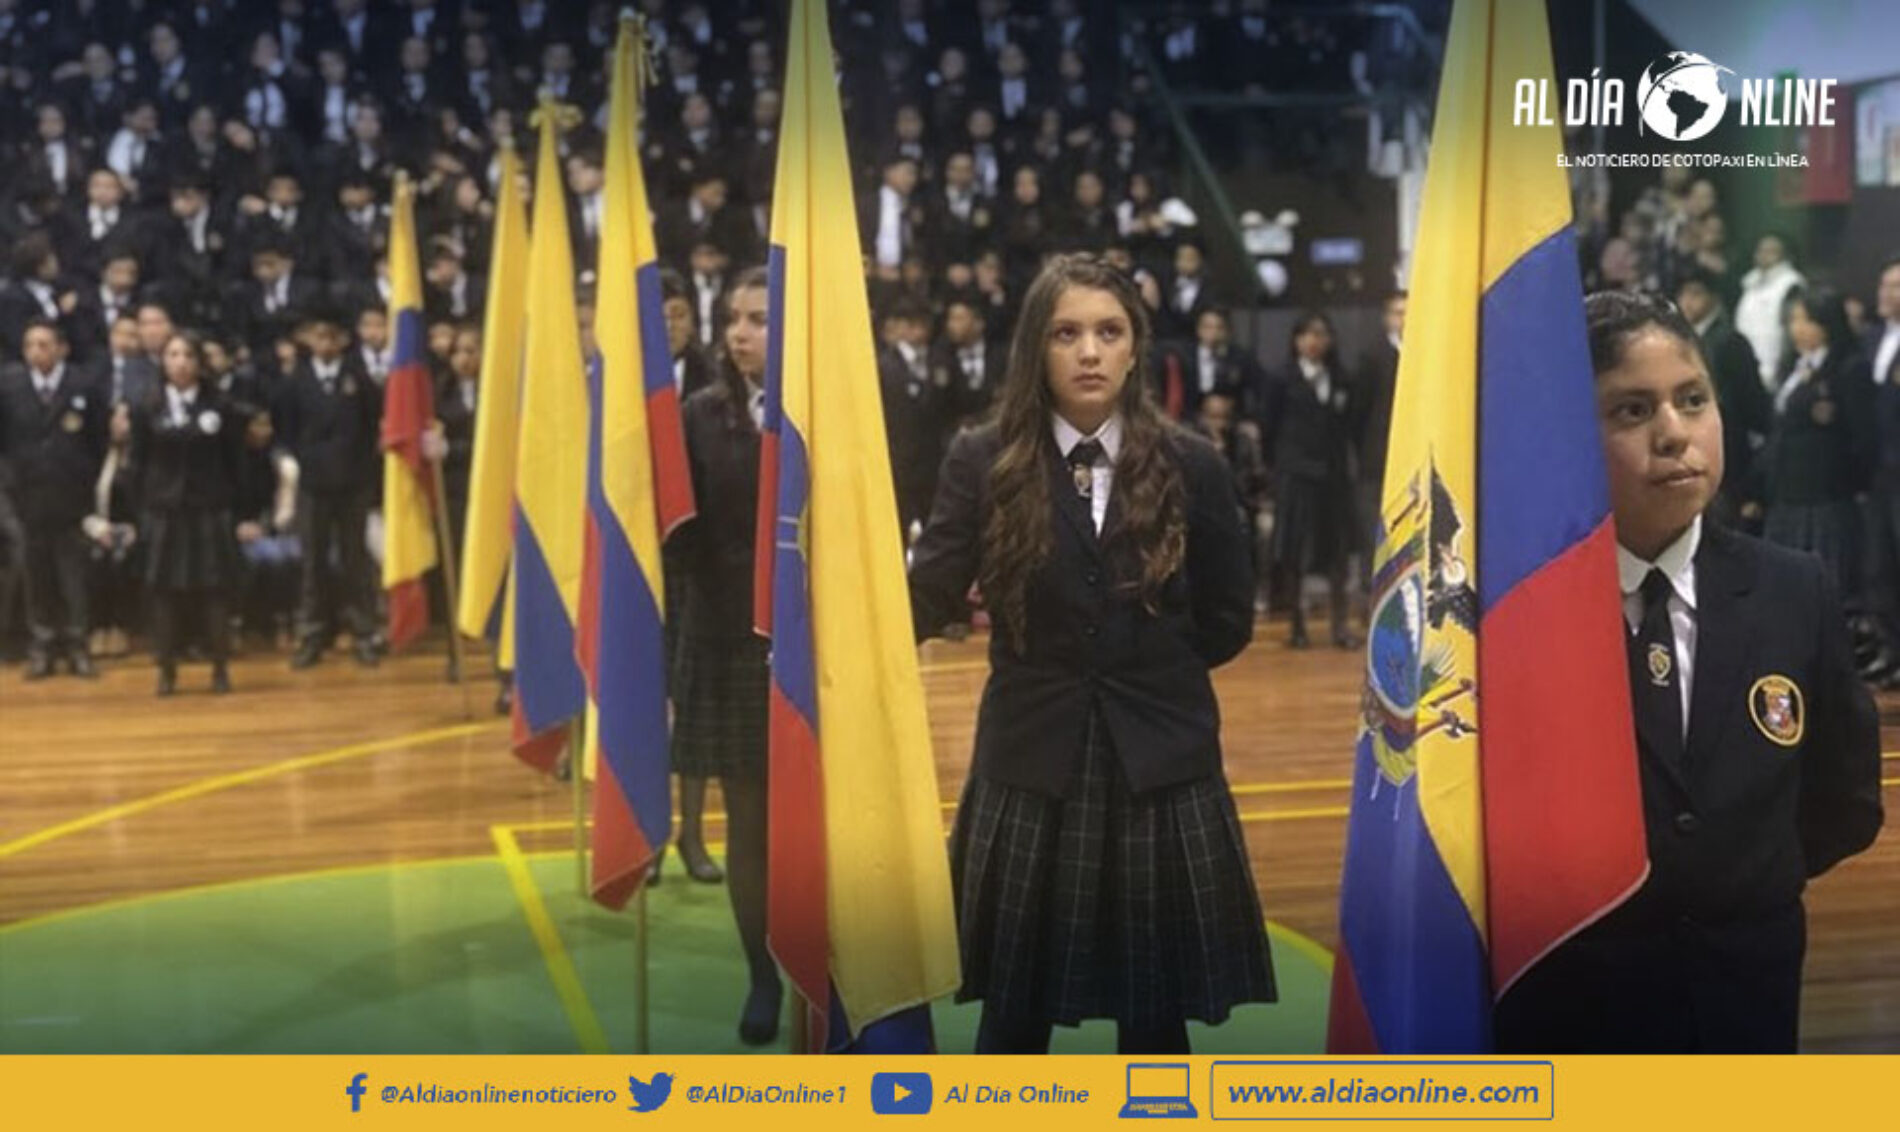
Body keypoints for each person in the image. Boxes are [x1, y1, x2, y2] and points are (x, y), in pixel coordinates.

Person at [1496, 290, 1882, 1053]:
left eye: (1693, 399)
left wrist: (1737, 882)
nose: (1675, 432)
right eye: (1632, 410)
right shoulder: (1512, 610)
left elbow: (1845, 799)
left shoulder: (1793, 589)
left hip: (1742, 993)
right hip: (1572, 1007)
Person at [908, 254, 1275, 1055]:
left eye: (1108, 333)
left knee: (1156, 1021)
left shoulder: (1194, 463)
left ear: (1136, 348)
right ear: (1035, 348)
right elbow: (927, 594)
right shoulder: (981, 458)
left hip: (1160, 761)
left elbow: (1226, 619)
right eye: (1066, 333)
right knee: (1014, 1018)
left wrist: (1146, 672)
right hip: (1031, 760)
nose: (1088, 352)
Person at [671, 267, 779, 1042]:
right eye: (733, 317)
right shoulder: (698, 416)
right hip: (728, 642)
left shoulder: (831, 409)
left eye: (759, 319)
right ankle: (763, 976)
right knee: (748, 817)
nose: (740, 332)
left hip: (815, 645)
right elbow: (680, 543)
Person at [130, 331, 243, 696]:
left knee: (214, 591)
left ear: (200, 362)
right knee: (163, 593)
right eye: (173, 355)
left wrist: (236, 509)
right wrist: (141, 511)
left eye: (188, 355)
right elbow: (137, 462)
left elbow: (235, 461)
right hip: (164, 512)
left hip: (209, 511)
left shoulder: (221, 405)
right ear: (163, 362)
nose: (180, 363)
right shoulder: (147, 405)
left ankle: (220, 668)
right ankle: (166, 669)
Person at [0, 319, 107, 678]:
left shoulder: (83, 384)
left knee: (73, 573)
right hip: (27, 493)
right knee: (36, 572)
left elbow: (98, 439)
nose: (36, 352)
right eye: (29, 345)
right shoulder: (8, 385)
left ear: (61, 348)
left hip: (71, 493)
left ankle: (77, 644)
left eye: (43, 344)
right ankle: (42, 645)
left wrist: (83, 476)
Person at [277, 309, 382, 669]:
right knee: (313, 563)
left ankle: (364, 632)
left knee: (356, 560)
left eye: (331, 336)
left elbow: (371, 425)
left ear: (343, 340)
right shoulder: (296, 381)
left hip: (353, 482)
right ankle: (312, 635)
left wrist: (360, 467)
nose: (324, 343)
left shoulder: (358, 377)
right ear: (308, 340)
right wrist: (304, 460)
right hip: (314, 484)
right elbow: (286, 427)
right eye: (318, 336)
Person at [1760, 287, 1875, 609]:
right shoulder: (1792, 368)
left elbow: (1862, 437)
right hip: (1787, 493)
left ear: (1827, 323)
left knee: (1823, 589)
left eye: (1807, 320)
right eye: (1793, 320)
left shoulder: (1848, 368)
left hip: (1826, 497)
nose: (1797, 328)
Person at [1262, 310, 1358, 649]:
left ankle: (1340, 627)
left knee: (1337, 554)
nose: (1314, 341)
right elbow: (1268, 427)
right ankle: (1297, 626)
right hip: (1296, 476)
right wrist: (1280, 468)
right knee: (1295, 553)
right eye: (1307, 334)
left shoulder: (1342, 377)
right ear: (1296, 340)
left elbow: (1350, 426)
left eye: (1321, 334)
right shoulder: (1281, 378)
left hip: (1332, 478)